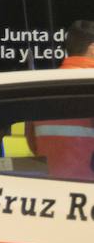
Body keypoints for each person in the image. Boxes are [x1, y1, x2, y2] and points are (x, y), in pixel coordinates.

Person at [31, 20, 94, 181]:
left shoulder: (42, 88)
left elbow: (32, 141)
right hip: (87, 186)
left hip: (51, 185)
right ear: (92, 48)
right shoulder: (89, 84)